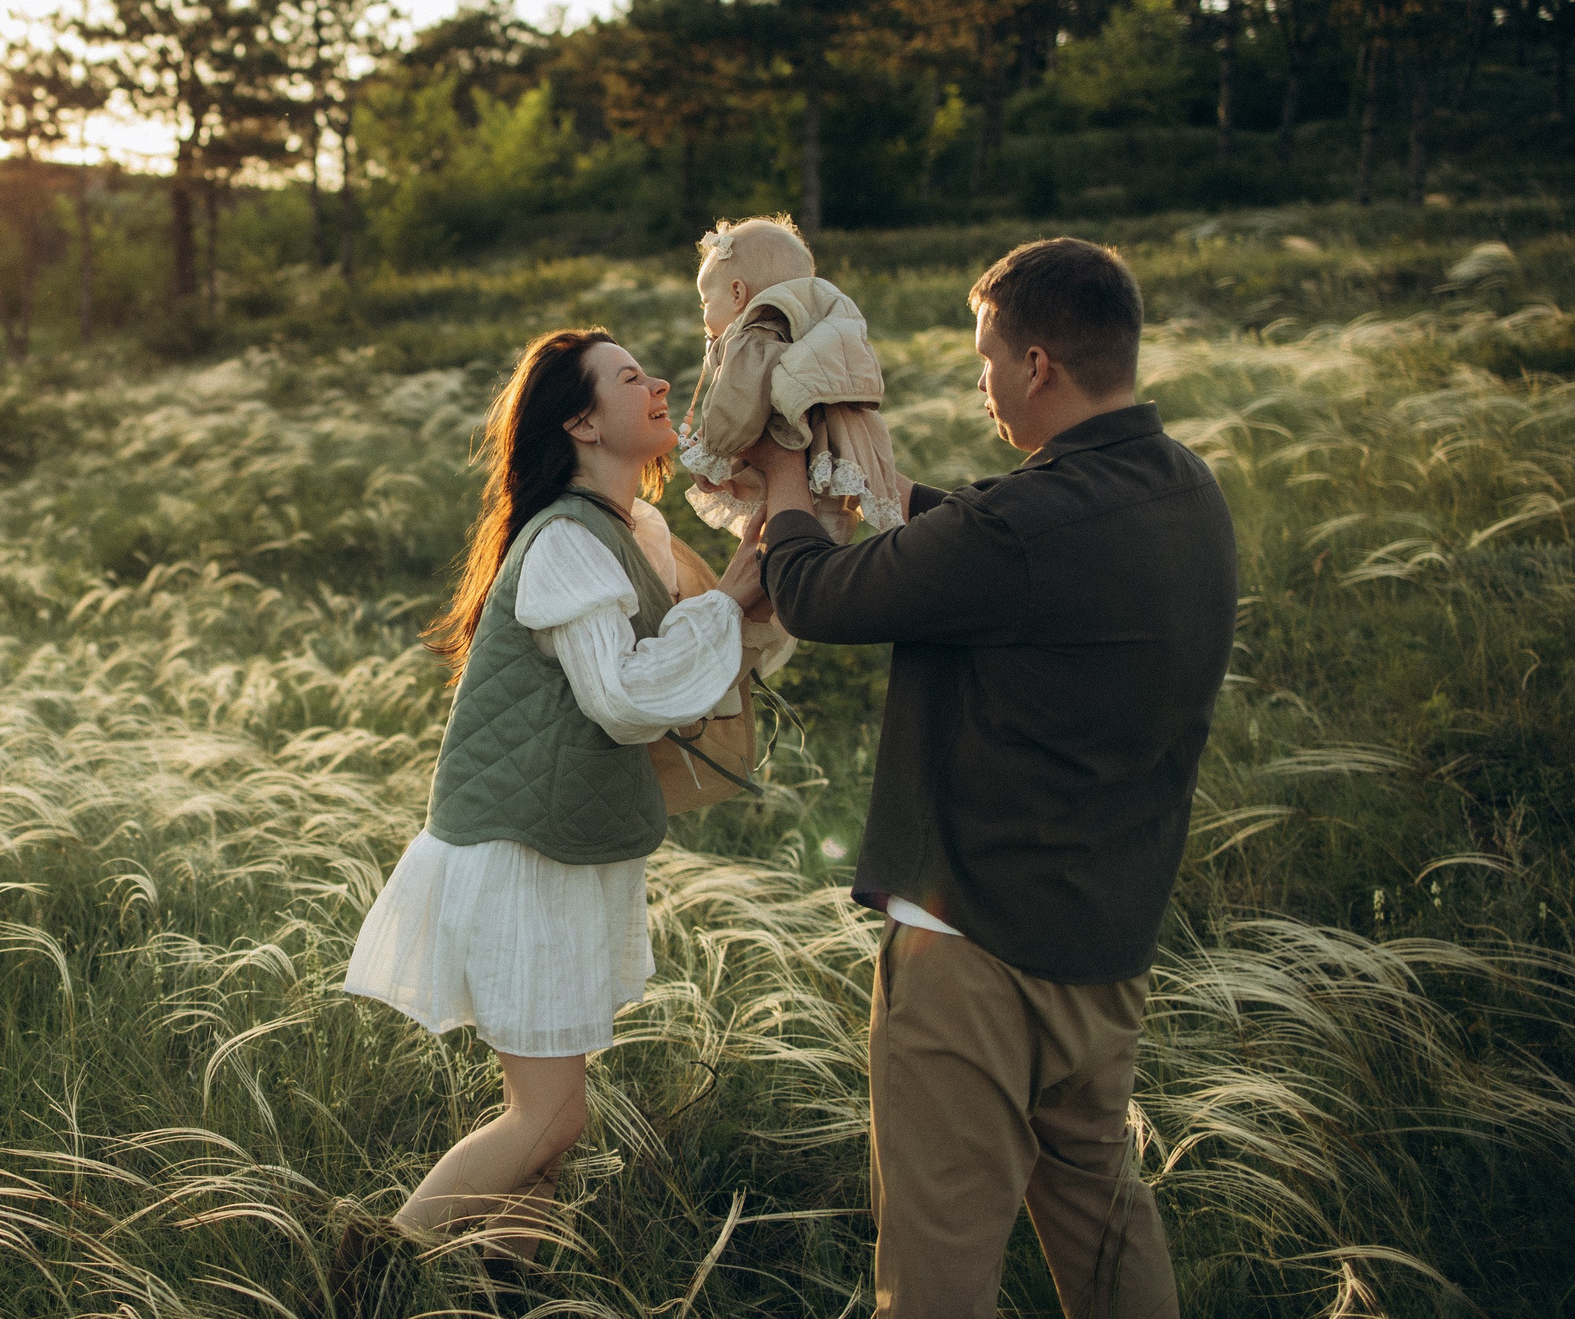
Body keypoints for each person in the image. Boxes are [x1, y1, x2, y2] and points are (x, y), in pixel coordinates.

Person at [746, 237, 1236, 1318]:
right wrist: (892, 490)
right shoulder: (1183, 490)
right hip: (1103, 945)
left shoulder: (1021, 526)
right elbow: (996, 547)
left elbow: (821, 598)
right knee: (1099, 1217)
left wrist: (786, 489)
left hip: (977, 955)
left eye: (985, 358)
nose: (980, 381)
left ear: (1039, 365)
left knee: (936, 1262)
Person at [338, 327, 772, 1309]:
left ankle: (506, 1294)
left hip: (568, 846)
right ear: (581, 421)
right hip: (519, 852)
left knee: (544, 1123)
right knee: (548, 1118)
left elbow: (711, 656)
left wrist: (751, 576)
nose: (659, 383)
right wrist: (731, 601)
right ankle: (367, 1279)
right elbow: (622, 696)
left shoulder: (633, 531)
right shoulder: (566, 542)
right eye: (629, 378)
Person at [676, 214, 908, 541]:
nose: (704, 315)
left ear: (737, 293)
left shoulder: (752, 340)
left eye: (705, 302)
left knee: (790, 545)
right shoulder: (806, 334)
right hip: (827, 462)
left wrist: (711, 454)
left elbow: (736, 407)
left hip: (791, 468)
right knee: (827, 530)